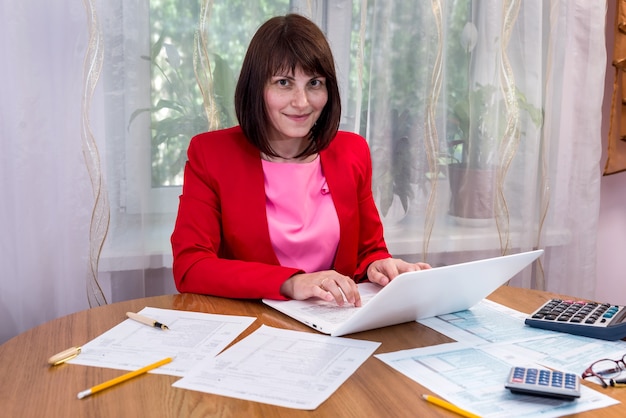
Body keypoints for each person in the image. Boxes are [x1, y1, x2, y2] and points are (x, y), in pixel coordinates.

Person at [171, 13, 430, 307]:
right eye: (284, 82)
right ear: (256, 88)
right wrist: (291, 282)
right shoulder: (211, 154)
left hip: (334, 323)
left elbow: (368, 251)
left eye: (314, 83)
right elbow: (191, 267)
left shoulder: (352, 151)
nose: (302, 102)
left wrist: (377, 266)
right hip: (253, 325)